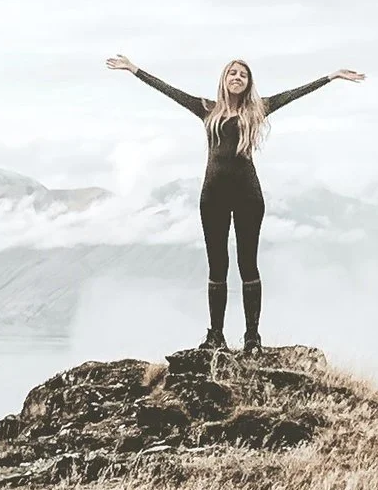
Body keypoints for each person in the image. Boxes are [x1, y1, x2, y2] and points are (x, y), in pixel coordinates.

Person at [107, 52, 364, 354]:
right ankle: (216, 335)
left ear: (248, 82)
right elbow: (169, 90)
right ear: (224, 79)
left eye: (243, 74)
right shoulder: (207, 109)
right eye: (233, 73)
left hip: (248, 197)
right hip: (212, 197)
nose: (237, 77)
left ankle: (252, 337)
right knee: (217, 266)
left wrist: (331, 77)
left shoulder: (258, 110)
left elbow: (295, 94)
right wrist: (134, 69)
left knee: (247, 264)